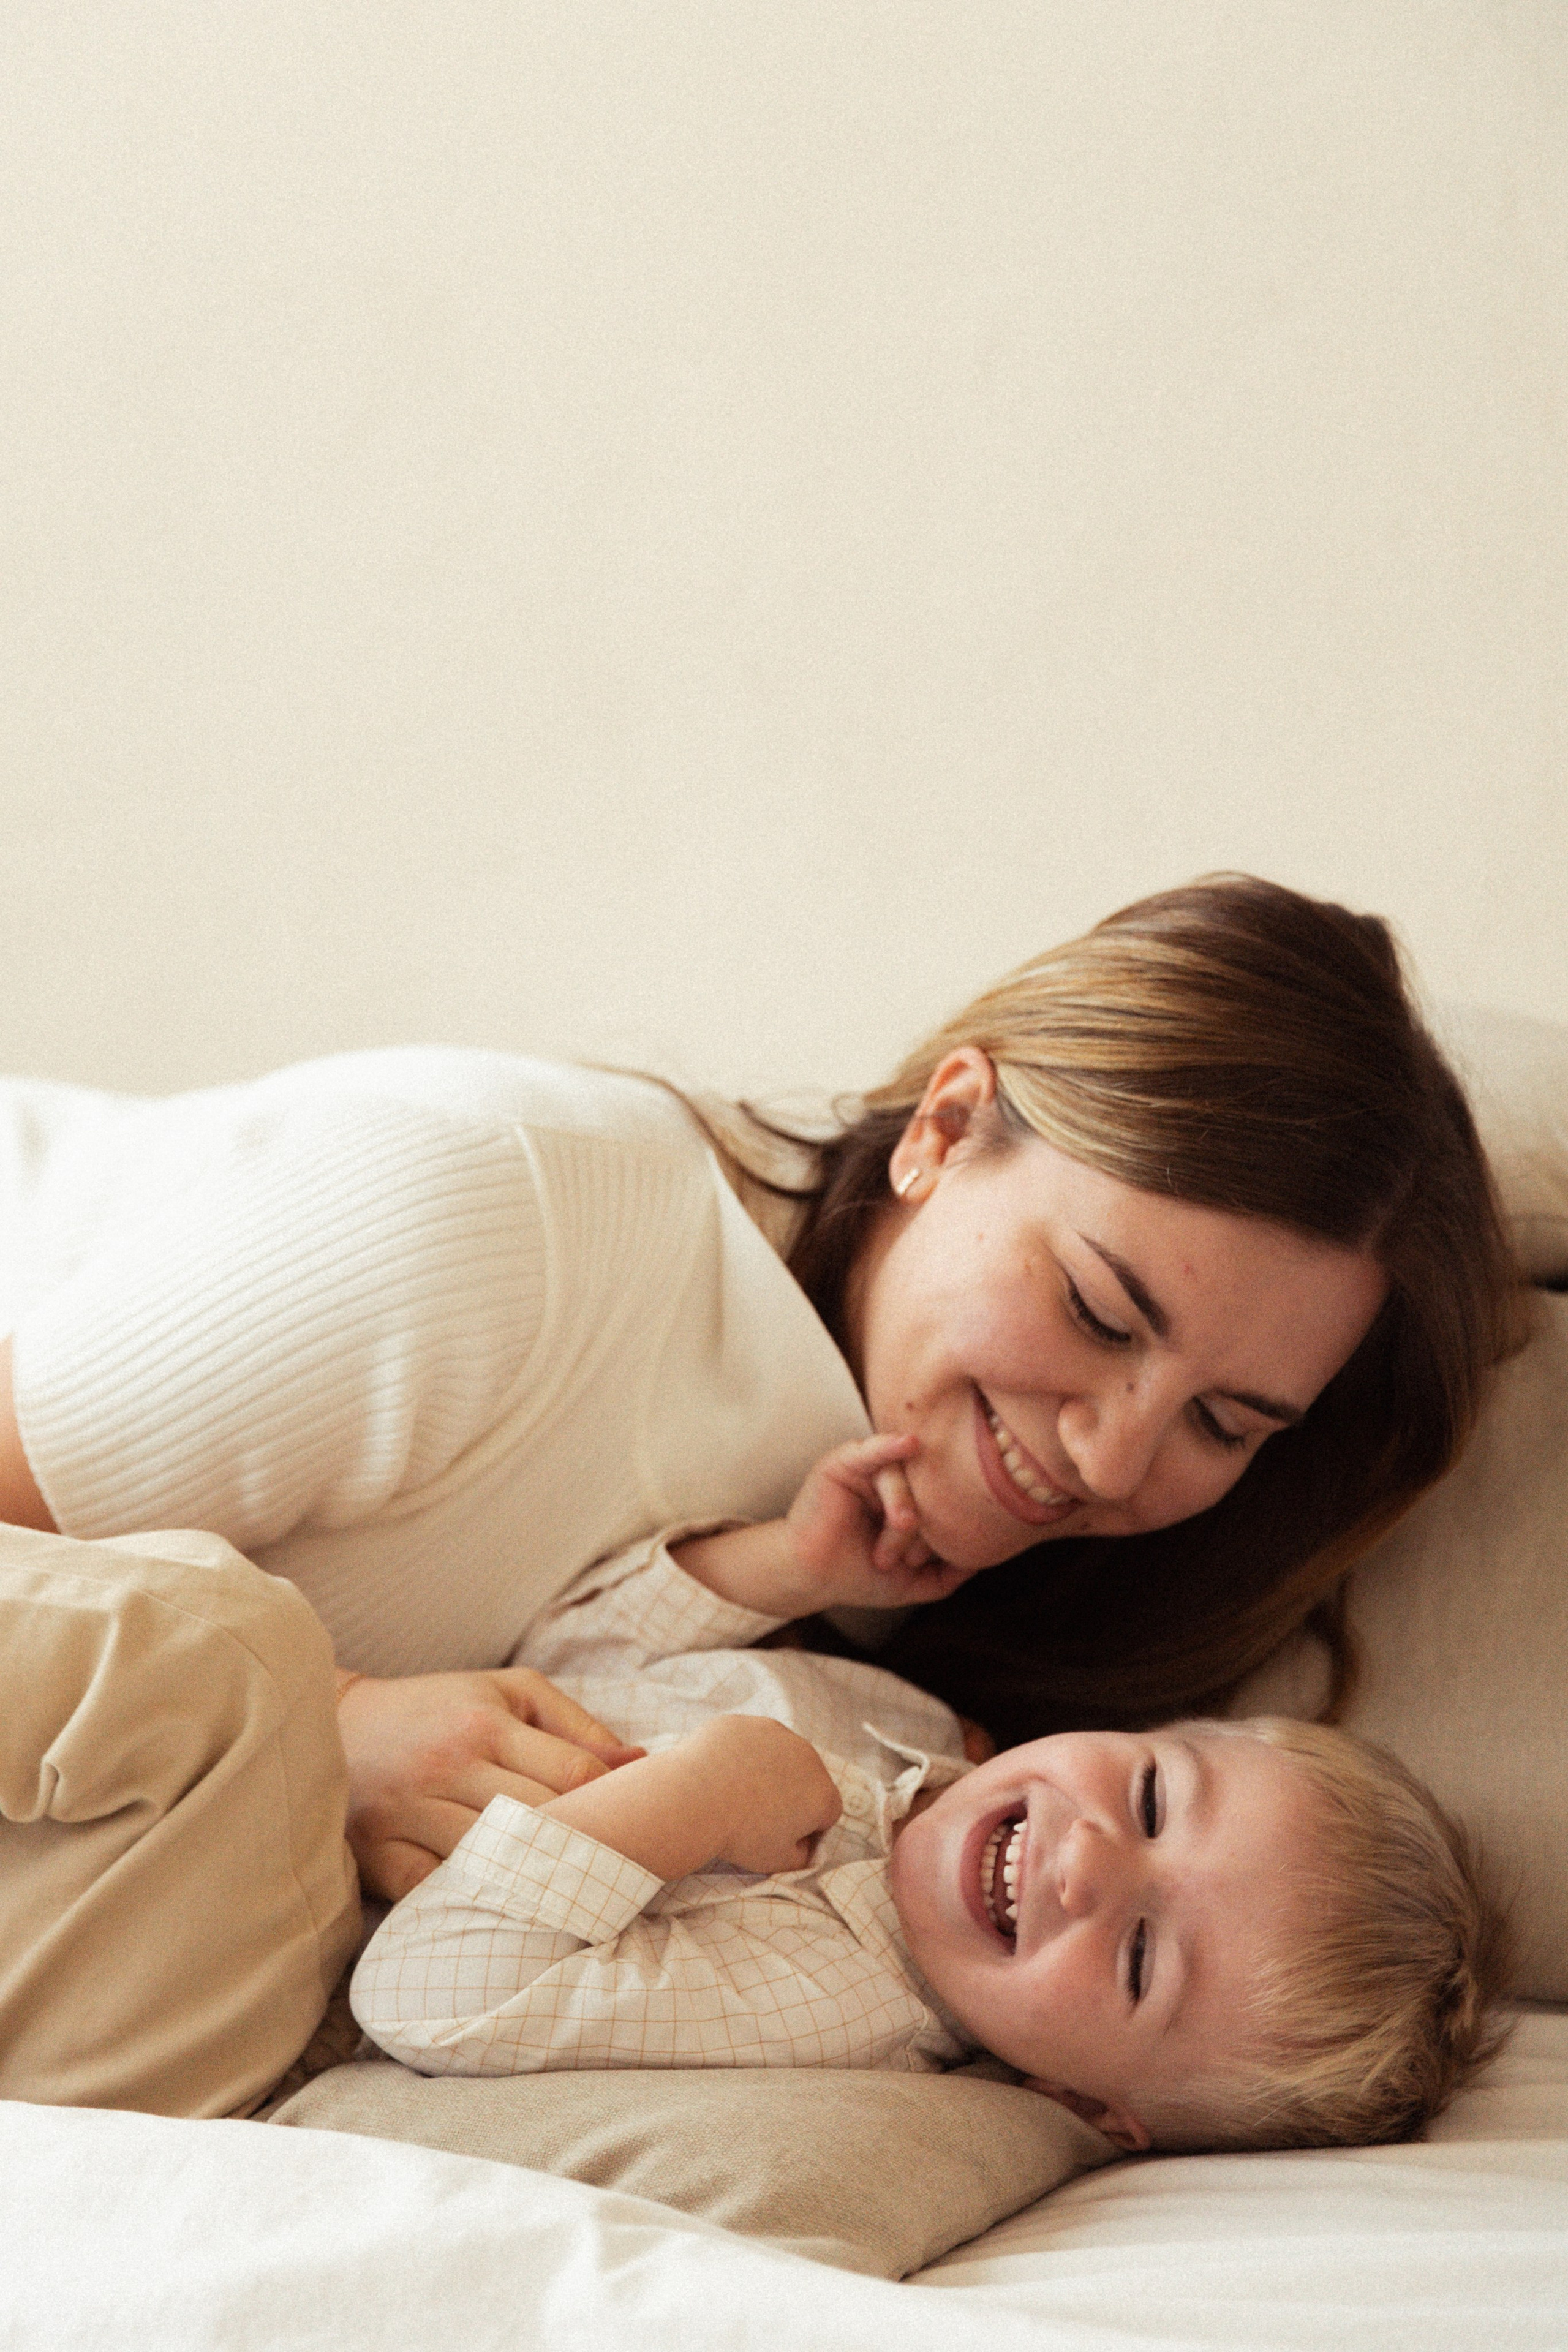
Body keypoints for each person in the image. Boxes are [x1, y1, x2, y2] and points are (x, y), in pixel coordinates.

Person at [0, 876, 1518, 2111]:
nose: (1115, 1460)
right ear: (938, 1130)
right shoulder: (493, 1211)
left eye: (1224, 1421)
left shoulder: (941, 1655)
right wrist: (323, 1723)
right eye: (1102, 1315)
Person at [349, 1441, 1509, 2153]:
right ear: (1145, 1732)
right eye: (1154, 1800)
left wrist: (704, 1795)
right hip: (389, 1722)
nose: (1094, 1864)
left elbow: (418, 1989)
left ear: (1086, 2102)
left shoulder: (818, 2012)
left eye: (1143, 1963)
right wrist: (784, 1569)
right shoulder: (901, 1725)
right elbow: (557, 1669)